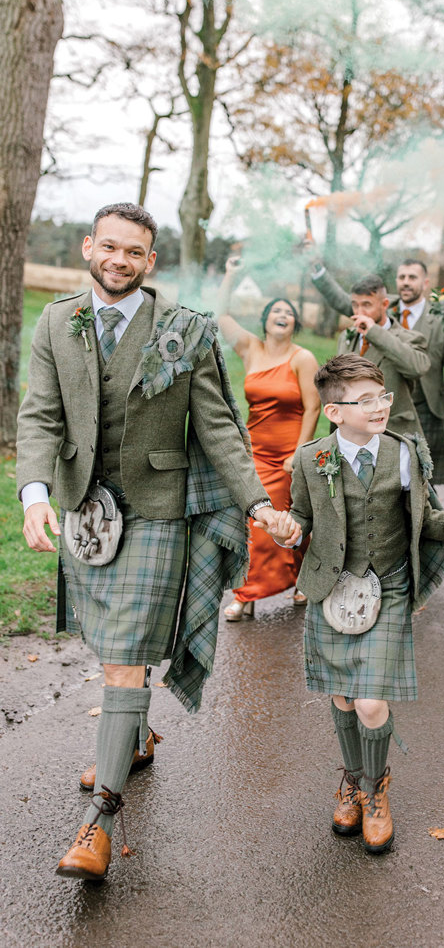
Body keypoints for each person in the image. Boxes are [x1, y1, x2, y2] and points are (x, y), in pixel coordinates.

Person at [16, 202, 292, 881]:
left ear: (150, 262)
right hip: (86, 509)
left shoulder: (185, 331)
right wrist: (34, 494)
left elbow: (222, 428)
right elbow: (41, 416)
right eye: (107, 247)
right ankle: (134, 736)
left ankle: (99, 824)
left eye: (131, 251)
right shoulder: (57, 321)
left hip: (158, 512)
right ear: (89, 248)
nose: (117, 259)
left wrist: (257, 501)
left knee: (126, 660)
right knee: (108, 645)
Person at [261, 354, 444, 854]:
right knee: (340, 696)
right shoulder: (312, 459)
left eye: (383, 396)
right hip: (335, 590)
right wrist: (289, 531)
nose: (380, 406)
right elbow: (301, 519)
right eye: (366, 400)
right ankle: (352, 780)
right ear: (334, 412)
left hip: (391, 583)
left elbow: (432, 521)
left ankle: (376, 791)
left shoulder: (404, 451)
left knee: (371, 701)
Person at [218, 271, 321, 620]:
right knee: (255, 523)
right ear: (265, 320)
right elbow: (221, 315)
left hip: (287, 456)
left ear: (294, 324)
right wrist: (231, 276)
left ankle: (286, 583)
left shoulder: (302, 358)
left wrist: (299, 453)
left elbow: (314, 406)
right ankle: (251, 593)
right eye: (276, 310)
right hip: (254, 453)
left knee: (279, 523)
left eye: (289, 312)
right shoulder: (251, 349)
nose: (282, 314)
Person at [311, 257, 444, 483]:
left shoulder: (430, 323)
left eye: (412, 277)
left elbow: (440, 367)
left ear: (425, 282)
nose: (358, 311)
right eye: (402, 277)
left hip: (407, 420)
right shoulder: (348, 335)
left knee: (419, 491)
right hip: (356, 427)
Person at [310, 268, 431, 436]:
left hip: (391, 434)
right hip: (349, 434)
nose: (359, 312)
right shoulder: (346, 336)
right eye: (355, 305)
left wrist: (374, 332)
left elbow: (417, 367)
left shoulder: (409, 338)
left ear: (385, 305)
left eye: (367, 305)